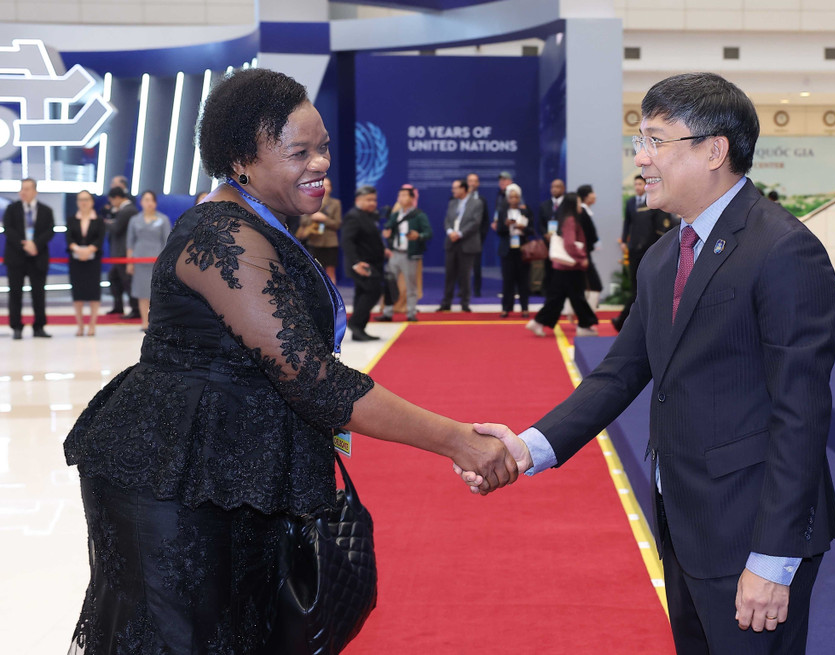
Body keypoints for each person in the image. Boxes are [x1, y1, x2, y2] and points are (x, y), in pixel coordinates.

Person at [62, 68, 518, 655]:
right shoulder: (223, 236)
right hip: (177, 482)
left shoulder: (260, 224)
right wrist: (458, 439)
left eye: (323, 147)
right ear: (240, 160)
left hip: (226, 475)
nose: (321, 163)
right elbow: (313, 379)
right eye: (299, 152)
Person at [461, 72, 835, 655]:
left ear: (715, 150)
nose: (640, 158)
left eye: (654, 141)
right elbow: (620, 372)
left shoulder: (783, 249)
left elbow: (802, 413)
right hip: (683, 520)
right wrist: (524, 449)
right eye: (638, 142)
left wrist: (773, 558)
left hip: (751, 530)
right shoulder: (665, 255)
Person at [525, 192, 598, 337]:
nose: (580, 206)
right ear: (572, 204)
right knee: (576, 298)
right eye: (578, 203)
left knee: (558, 298)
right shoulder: (571, 220)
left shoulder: (567, 218)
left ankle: (538, 322)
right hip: (570, 267)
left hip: (565, 267)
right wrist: (581, 257)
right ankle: (584, 325)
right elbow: (569, 244)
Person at [611, 174, 673, 332]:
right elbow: (627, 223)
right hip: (634, 251)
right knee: (636, 287)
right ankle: (631, 322)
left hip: (649, 251)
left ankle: (623, 321)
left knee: (641, 288)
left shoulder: (654, 202)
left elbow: (661, 229)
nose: (637, 187)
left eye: (640, 184)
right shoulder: (631, 202)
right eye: (635, 184)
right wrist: (625, 241)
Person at [3, 177, 54, 339]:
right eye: (21, 188)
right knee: (15, 293)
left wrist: (35, 245)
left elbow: (49, 231)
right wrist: (23, 244)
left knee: (39, 294)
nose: (23, 192)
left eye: (26, 189)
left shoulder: (46, 210)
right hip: (16, 257)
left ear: (34, 191)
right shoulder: (12, 209)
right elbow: (8, 229)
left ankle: (39, 326)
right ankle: (16, 326)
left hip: (37, 257)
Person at [341, 185, 386, 341]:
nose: (372, 203)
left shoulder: (369, 216)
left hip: (371, 262)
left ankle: (358, 331)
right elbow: (347, 242)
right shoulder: (354, 216)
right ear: (358, 200)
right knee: (373, 291)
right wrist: (356, 263)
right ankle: (355, 323)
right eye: (368, 200)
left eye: (374, 199)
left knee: (362, 294)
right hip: (362, 264)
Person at [380, 185, 431, 322]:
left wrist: (418, 236)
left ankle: (411, 312)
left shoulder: (419, 215)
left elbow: (428, 233)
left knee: (411, 285)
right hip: (395, 253)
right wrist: (387, 232)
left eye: (404, 195)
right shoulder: (396, 214)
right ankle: (388, 312)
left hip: (410, 255)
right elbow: (388, 227)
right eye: (399, 196)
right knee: (390, 283)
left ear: (412, 198)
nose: (400, 198)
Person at [126, 190, 171, 331]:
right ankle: (144, 322)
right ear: (141, 202)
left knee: (156, 293)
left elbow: (167, 241)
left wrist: (167, 262)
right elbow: (130, 242)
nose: (148, 203)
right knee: (142, 292)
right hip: (139, 260)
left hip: (157, 260)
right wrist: (129, 261)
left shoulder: (162, 219)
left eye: (151, 200)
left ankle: (156, 322)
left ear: (155, 203)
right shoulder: (135, 220)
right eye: (145, 199)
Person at [438, 178, 483, 312]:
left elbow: (475, 222)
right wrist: (451, 232)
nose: (453, 191)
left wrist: (461, 233)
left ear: (463, 189)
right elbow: (447, 220)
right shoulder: (452, 203)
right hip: (451, 242)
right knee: (449, 274)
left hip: (467, 242)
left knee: (465, 275)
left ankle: (465, 303)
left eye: (455, 188)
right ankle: (446, 302)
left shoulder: (477, 203)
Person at [67, 190, 106, 336]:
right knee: (78, 293)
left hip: (93, 260)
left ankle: (92, 325)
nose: (83, 202)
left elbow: (100, 238)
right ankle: (80, 325)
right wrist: (78, 249)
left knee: (93, 292)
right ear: (77, 202)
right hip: (76, 260)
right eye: (80, 199)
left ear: (92, 202)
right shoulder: (72, 219)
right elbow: (69, 237)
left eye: (86, 199)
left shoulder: (99, 220)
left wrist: (89, 250)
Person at [495, 182, 534, 318]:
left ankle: (524, 308)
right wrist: (506, 226)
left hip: (522, 249)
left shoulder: (525, 210)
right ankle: (506, 308)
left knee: (523, 280)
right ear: (507, 198)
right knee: (508, 280)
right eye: (511, 197)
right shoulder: (502, 211)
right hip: (507, 249)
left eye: (516, 197)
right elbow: (498, 230)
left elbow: (532, 230)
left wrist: (523, 228)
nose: (514, 200)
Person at [296, 177, 342, 282]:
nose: (325, 187)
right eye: (322, 184)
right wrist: (313, 218)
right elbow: (303, 221)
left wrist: (325, 219)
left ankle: (332, 296)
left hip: (330, 242)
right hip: (314, 240)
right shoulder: (309, 201)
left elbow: (337, 224)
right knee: (314, 270)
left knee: (330, 271)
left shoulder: (335, 203)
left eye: (328, 185)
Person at [104, 186, 139, 318]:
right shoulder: (124, 210)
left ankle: (135, 308)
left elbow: (117, 228)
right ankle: (118, 306)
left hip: (124, 252)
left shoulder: (128, 210)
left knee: (127, 281)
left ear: (117, 198)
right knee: (115, 278)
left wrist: (105, 223)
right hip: (119, 252)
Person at [576, 184, 603, 310]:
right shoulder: (582, 213)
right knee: (594, 284)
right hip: (583, 254)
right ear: (586, 196)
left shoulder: (584, 211)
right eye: (593, 193)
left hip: (584, 253)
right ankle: (588, 313)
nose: (595, 195)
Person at [467, 172, 489, 296]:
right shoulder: (461, 199)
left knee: (476, 265)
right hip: (462, 237)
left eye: (475, 181)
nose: (472, 183)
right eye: (470, 181)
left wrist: (482, 236)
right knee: (462, 266)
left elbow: (485, 220)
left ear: (478, 183)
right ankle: (463, 290)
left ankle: (477, 290)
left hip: (477, 238)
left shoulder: (482, 200)